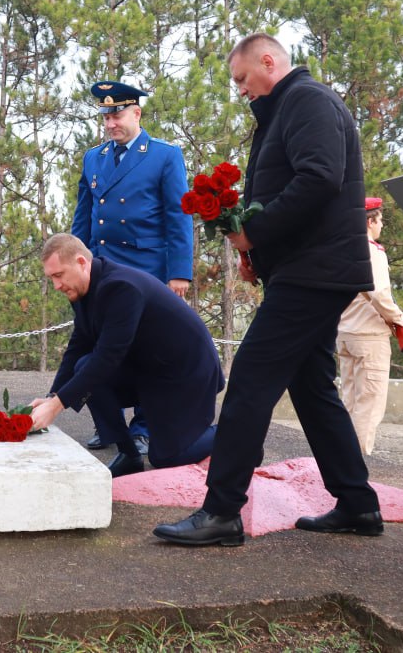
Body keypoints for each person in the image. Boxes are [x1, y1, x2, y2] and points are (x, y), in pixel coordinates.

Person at [153, 33, 379, 547]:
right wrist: (258, 254)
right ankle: (358, 504)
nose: (240, 90)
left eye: (241, 79)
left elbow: (320, 178)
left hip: (315, 271)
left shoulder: (308, 101)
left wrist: (257, 232)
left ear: (269, 62)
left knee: (252, 378)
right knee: (312, 386)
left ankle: (222, 511)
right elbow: (290, 187)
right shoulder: (286, 109)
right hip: (305, 267)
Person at [27, 234, 223, 478]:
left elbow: (108, 357)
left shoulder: (120, 287)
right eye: (51, 278)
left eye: (59, 275)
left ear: (81, 262)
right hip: (151, 370)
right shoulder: (82, 290)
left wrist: (56, 407)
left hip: (186, 375)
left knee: (167, 457)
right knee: (83, 365)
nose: (56, 285)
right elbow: (79, 345)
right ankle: (129, 454)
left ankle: (237, 435)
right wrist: (52, 396)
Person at [70, 80, 194, 456]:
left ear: (136, 113)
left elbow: (179, 216)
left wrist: (179, 273)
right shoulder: (94, 158)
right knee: (96, 344)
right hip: (101, 271)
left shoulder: (164, 155)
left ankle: (143, 426)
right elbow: (83, 219)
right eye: (105, 117)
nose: (110, 124)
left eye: (118, 115)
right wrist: (77, 266)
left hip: (147, 270)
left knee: (146, 349)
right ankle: (108, 425)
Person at [336, 196, 403, 456]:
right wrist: (397, 317)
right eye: (380, 220)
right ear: (369, 221)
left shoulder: (343, 247)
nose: (382, 226)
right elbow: (376, 290)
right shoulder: (371, 250)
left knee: (350, 401)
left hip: (346, 331)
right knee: (369, 405)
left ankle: (340, 458)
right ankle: (356, 465)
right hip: (368, 334)